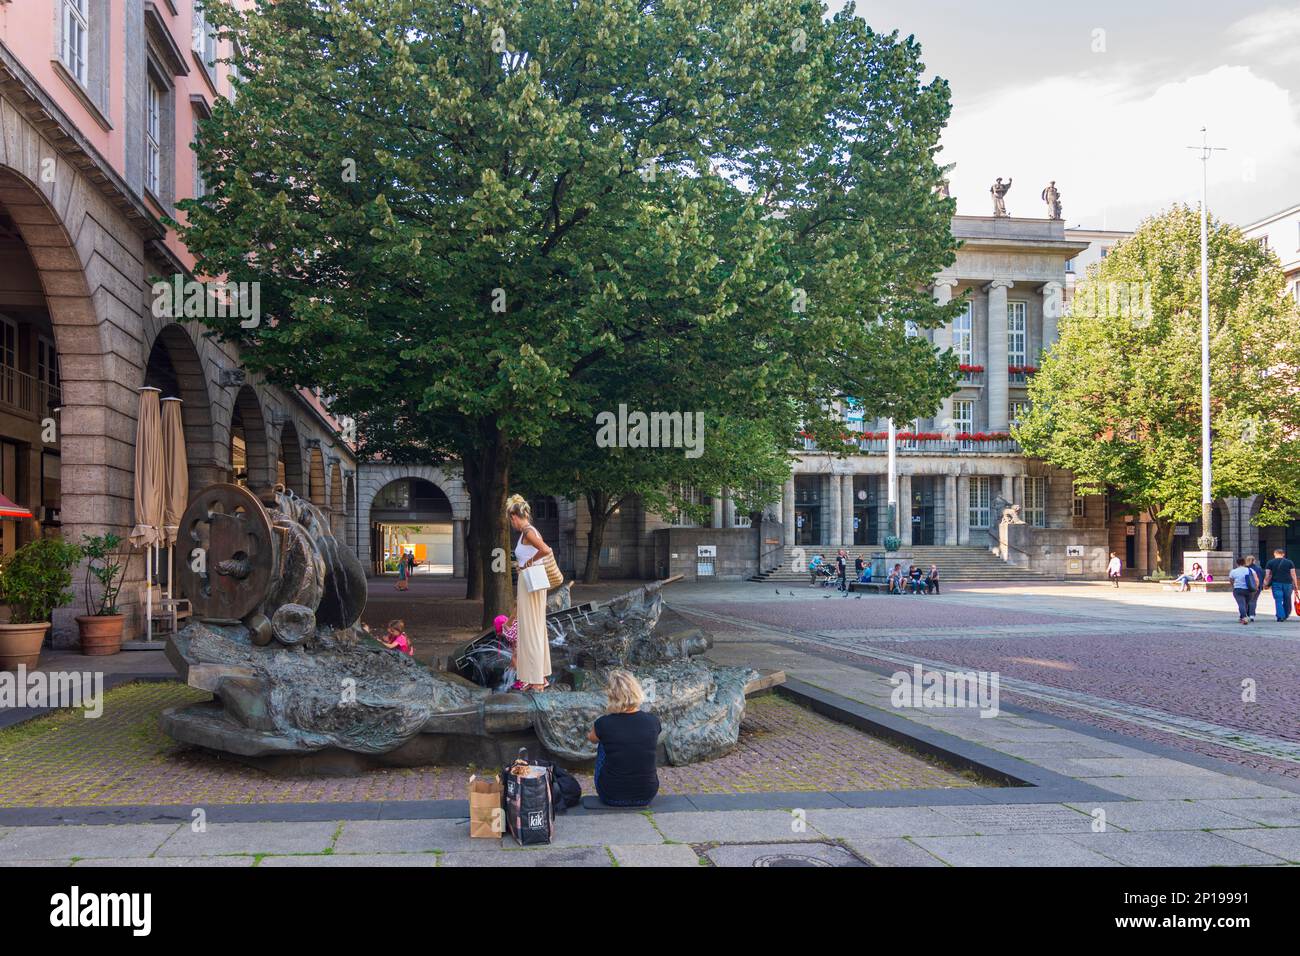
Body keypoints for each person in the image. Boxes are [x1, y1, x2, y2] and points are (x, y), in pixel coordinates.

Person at [586, 670, 660, 807]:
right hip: (647, 794)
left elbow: (591, 738)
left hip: (611, 795)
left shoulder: (604, 723)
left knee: (603, 742)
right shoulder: (653, 721)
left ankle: (615, 780)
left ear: (611, 696)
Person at [508, 494, 553, 691]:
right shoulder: (528, 531)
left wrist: (526, 563)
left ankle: (537, 680)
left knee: (530, 631)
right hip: (532, 583)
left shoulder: (527, 531)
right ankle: (539, 676)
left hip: (530, 582)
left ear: (514, 516)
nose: (512, 524)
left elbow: (545, 549)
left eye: (511, 520)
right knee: (534, 629)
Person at [1262, 548, 1298, 622]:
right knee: (1287, 599)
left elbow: (1268, 575)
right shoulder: (1289, 562)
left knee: (1278, 600)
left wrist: (1265, 583)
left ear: (1275, 554)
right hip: (1288, 584)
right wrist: (1295, 585)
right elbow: (1293, 574)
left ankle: (1280, 616)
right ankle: (1286, 614)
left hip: (1276, 583)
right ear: (1283, 554)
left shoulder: (1270, 562)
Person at [1229, 558, 1255, 626]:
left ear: (1237, 563)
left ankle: (1244, 617)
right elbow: (1255, 579)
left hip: (1238, 589)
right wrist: (1256, 587)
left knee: (1241, 604)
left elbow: (1231, 580)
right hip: (1249, 589)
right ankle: (1242, 616)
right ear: (1244, 563)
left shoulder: (1233, 571)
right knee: (1246, 603)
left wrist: (1234, 586)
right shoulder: (1250, 570)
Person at [1244, 555, 1263, 623]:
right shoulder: (1258, 568)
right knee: (1253, 601)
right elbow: (1261, 578)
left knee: (1245, 601)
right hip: (1256, 587)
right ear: (1254, 561)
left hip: (1246, 587)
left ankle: (1245, 615)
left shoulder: (1244, 568)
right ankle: (1252, 615)